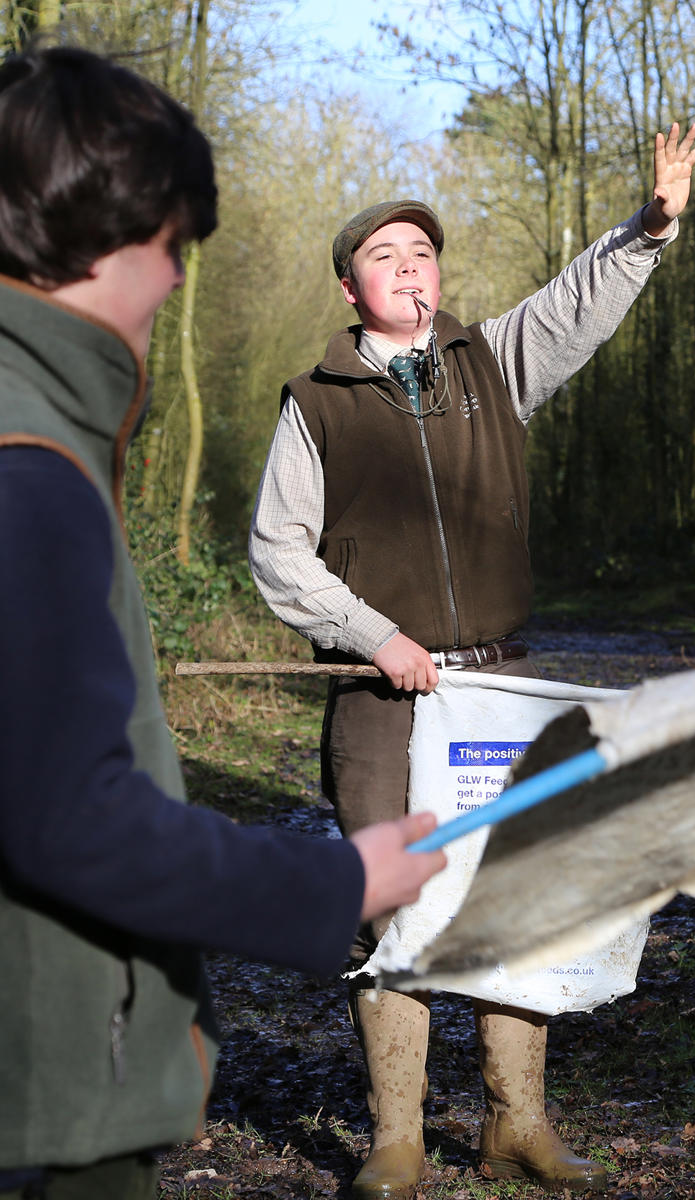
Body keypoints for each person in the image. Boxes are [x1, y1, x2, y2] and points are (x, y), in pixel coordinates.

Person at [0, 46, 444, 1200]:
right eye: (174, 247)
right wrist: (326, 889)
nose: (180, 283)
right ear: (107, 230)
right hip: (41, 1100)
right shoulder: (28, 468)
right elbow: (68, 815)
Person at [249, 125, 695, 1197]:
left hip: (498, 683)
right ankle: (398, 1138)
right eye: (385, 256)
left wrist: (648, 228)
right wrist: (380, 637)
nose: (410, 266)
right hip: (381, 696)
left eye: (422, 251)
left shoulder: (490, 364)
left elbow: (571, 303)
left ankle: (515, 1123)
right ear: (353, 288)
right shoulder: (315, 404)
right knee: (391, 903)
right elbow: (278, 553)